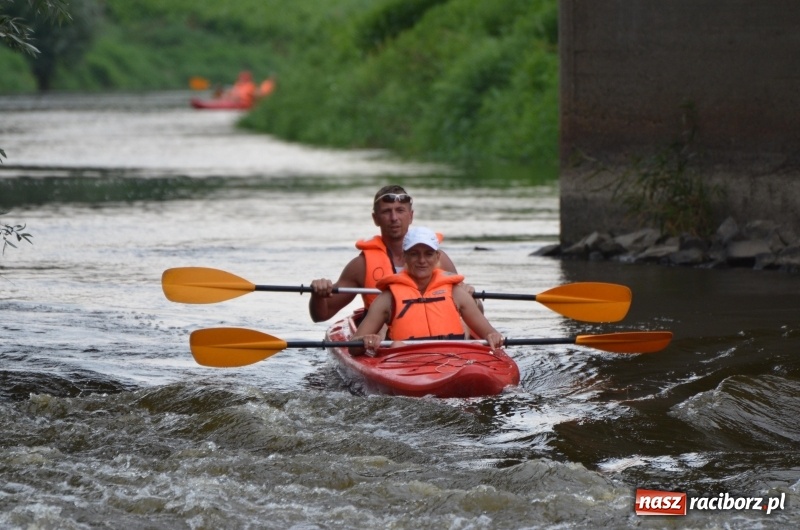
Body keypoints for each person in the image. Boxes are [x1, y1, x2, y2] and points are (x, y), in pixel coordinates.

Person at [309, 185, 461, 323]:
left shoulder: (439, 260)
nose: (394, 218)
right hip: (384, 344)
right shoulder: (361, 266)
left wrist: (471, 295)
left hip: (435, 339)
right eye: (387, 211)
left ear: (411, 216)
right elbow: (321, 315)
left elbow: (471, 308)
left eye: (400, 210)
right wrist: (318, 294)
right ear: (376, 219)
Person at [350, 226, 504, 356]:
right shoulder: (388, 298)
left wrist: (494, 337)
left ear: (437, 256)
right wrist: (366, 341)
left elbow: (490, 333)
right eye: (414, 254)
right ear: (405, 257)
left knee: (476, 345)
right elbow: (353, 347)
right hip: (406, 361)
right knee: (396, 346)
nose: (422, 260)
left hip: (453, 358)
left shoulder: (456, 293)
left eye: (428, 254)